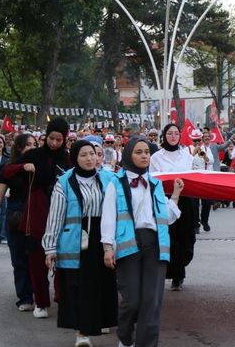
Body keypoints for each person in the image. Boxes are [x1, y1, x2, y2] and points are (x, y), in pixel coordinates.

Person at [100, 137, 185, 347]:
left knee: (152, 301)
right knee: (132, 301)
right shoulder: (115, 183)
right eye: (138, 152)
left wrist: (175, 195)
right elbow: (109, 216)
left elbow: (165, 215)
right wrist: (107, 247)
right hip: (128, 244)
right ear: (129, 154)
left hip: (154, 244)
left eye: (147, 152)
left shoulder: (155, 183)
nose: (144, 155)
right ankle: (125, 336)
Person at [42, 141, 118, 347]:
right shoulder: (64, 182)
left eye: (92, 154)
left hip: (102, 241)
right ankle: (81, 334)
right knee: (78, 289)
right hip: (76, 242)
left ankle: (99, 322)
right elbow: (55, 216)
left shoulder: (109, 179)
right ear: (75, 158)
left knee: (102, 285)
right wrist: (50, 248)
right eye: (83, 155)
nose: (89, 159)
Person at [2, 117, 73, 319]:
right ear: (46, 136)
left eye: (59, 139)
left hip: (62, 211)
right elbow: (6, 173)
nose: (54, 143)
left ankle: (62, 297)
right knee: (36, 257)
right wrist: (22, 167)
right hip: (37, 210)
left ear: (65, 139)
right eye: (51, 138)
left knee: (63, 254)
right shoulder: (33, 154)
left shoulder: (68, 158)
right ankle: (41, 302)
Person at [0, 133, 37, 312]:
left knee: (36, 257)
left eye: (34, 144)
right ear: (19, 147)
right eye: (27, 144)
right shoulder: (10, 168)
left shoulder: (42, 166)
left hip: (38, 214)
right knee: (19, 258)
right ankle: (25, 297)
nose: (31, 147)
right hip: (16, 214)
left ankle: (39, 294)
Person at [150, 124, 196, 291]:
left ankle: (181, 266)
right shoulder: (156, 158)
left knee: (187, 237)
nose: (173, 136)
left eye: (176, 133)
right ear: (164, 136)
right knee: (171, 237)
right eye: (170, 133)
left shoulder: (187, 156)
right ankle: (176, 275)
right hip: (166, 201)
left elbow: (195, 175)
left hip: (186, 201)